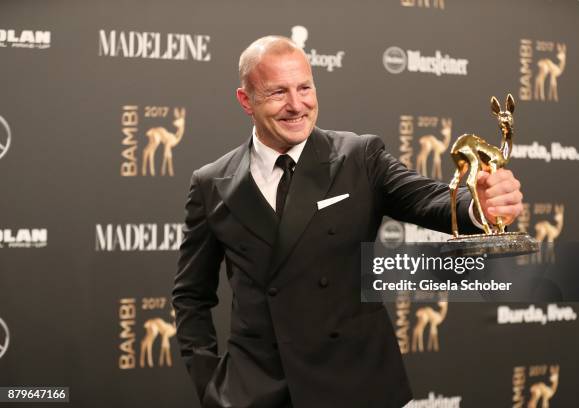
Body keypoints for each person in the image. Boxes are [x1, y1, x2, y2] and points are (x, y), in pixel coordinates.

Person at [172, 36, 523, 408]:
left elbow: (429, 200)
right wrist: (211, 386)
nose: (297, 105)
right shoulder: (212, 183)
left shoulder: (359, 156)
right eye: (278, 93)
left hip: (358, 386)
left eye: (304, 87)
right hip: (258, 391)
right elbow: (191, 295)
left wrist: (479, 207)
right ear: (246, 100)